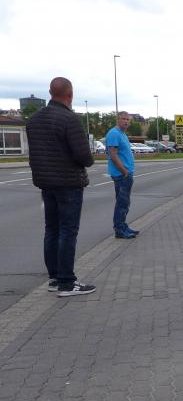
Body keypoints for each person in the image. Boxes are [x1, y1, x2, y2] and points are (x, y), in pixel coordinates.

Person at [26, 77, 96, 297]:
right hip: (68, 183)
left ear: (50, 92)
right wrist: (89, 160)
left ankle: (55, 278)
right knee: (68, 231)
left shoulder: (34, 120)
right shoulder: (69, 119)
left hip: (46, 183)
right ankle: (67, 282)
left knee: (52, 229)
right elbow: (83, 156)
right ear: (70, 94)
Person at [106, 111, 138, 239]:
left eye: (127, 119)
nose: (126, 121)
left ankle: (123, 226)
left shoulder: (122, 134)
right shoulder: (114, 133)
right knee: (122, 203)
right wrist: (124, 171)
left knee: (125, 203)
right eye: (123, 119)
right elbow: (113, 155)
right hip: (121, 174)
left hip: (125, 173)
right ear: (118, 120)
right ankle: (119, 229)